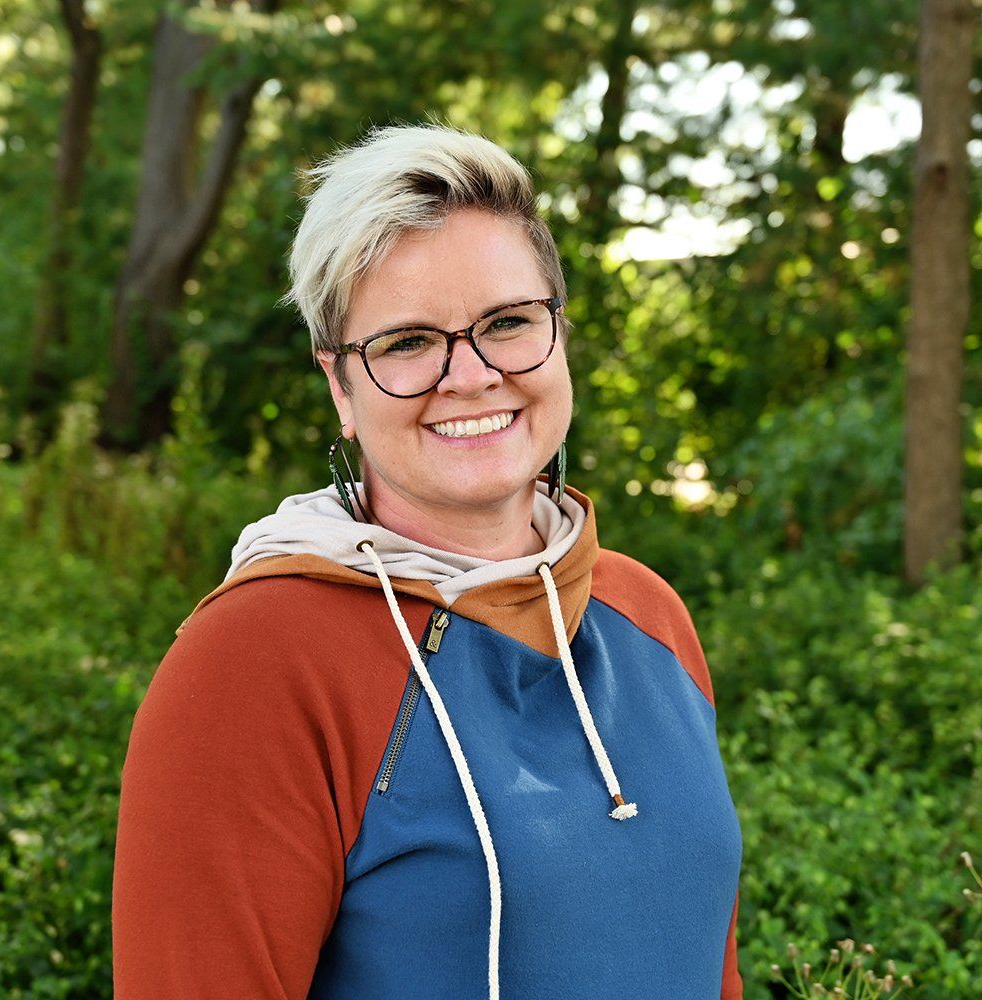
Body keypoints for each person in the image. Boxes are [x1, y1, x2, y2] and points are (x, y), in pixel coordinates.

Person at [112, 123, 744, 1000]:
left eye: (508, 323)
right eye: (408, 342)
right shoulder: (255, 659)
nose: (471, 375)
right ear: (341, 385)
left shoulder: (647, 614)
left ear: (559, 337)